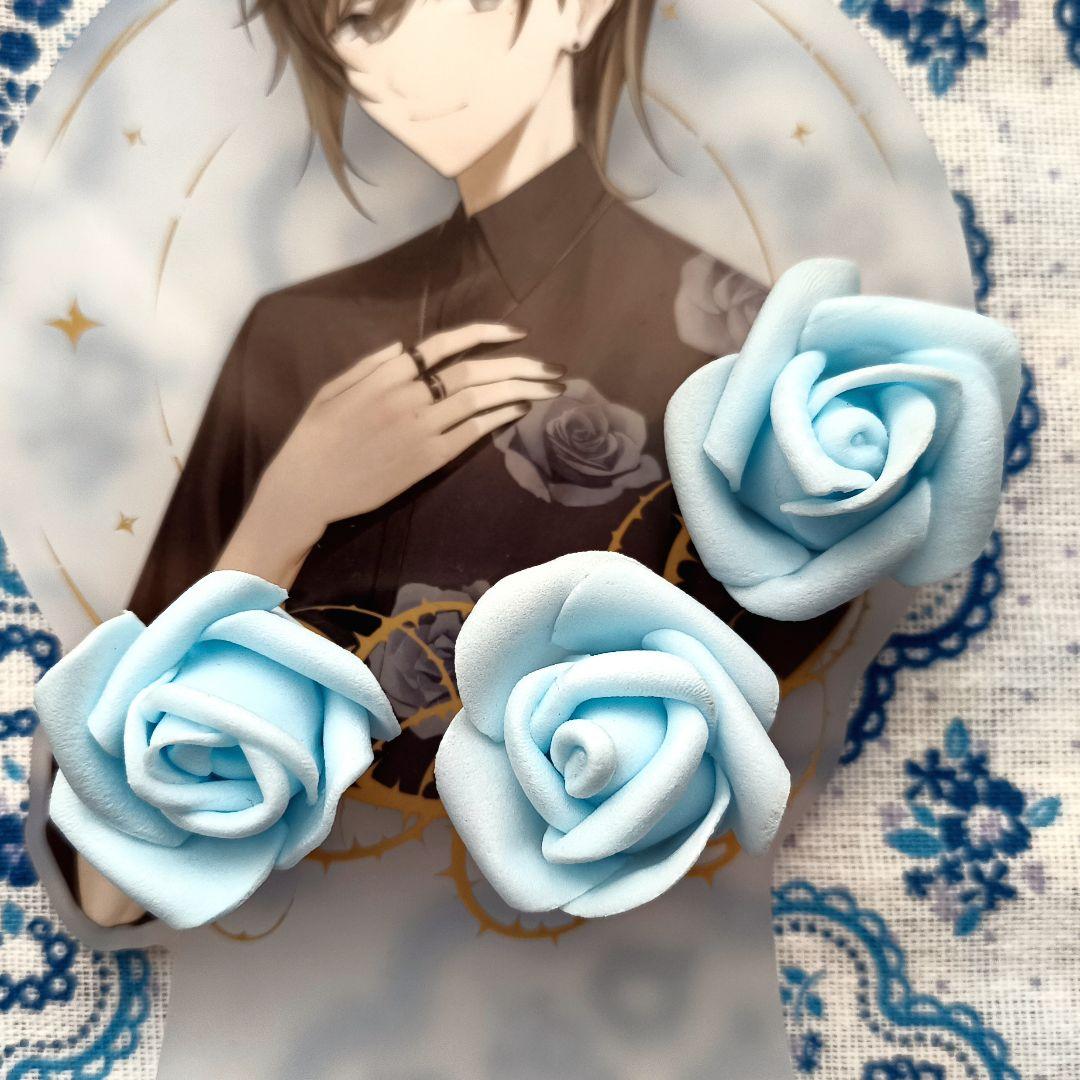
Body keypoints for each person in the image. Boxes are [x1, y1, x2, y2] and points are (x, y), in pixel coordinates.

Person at [70, 0, 844, 925]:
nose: (380, 60)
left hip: (631, 955)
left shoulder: (746, 360)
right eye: (352, 24)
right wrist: (289, 505)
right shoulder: (302, 339)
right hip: (304, 952)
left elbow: (768, 756)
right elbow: (109, 886)